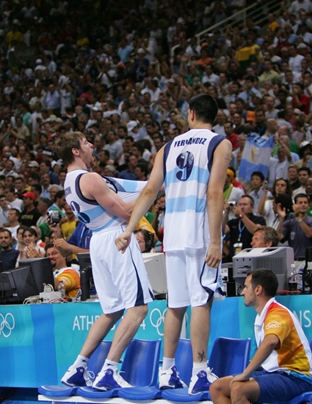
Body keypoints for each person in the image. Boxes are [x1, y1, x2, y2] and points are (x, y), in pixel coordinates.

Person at [116, 93, 232, 394]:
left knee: (175, 304)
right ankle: (199, 371)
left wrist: (129, 229)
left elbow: (149, 191)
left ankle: (167, 371)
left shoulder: (167, 147)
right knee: (201, 301)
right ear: (214, 117)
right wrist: (216, 241)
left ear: (190, 114)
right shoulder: (219, 143)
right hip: (199, 233)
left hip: (174, 234)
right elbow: (215, 193)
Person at [55, 131, 153, 391]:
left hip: (97, 241)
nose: (91, 145)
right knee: (138, 308)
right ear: (76, 151)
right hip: (115, 239)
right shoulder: (90, 178)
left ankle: (77, 368)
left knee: (112, 311)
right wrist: (151, 192)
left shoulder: (68, 182)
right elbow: (127, 212)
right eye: (86, 142)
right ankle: (109, 370)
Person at [209, 269, 312, 404]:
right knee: (217, 388)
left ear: (258, 290)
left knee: (239, 389)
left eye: (246, 287)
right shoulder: (261, 317)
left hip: (295, 377)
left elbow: (270, 342)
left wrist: (246, 374)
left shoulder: (277, 313)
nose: (242, 292)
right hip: (271, 374)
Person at [281, 194, 312, 260]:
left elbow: (310, 234)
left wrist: (299, 219)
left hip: (309, 259)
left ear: (308, 205)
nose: (303, 205)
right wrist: (281, 218)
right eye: (300, 203)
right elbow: (280, 238)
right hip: (293, 259)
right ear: (294, 205)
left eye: (305, 202)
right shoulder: (290, 223)